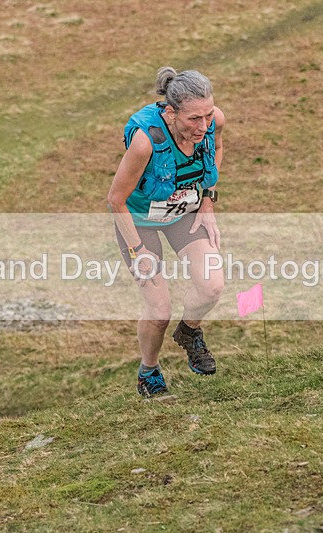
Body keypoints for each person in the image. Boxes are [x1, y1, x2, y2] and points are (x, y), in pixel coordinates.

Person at [107, 66, 226, 398]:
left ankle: (189, 333)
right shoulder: (146, 141)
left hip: (183, 214)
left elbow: (216, 152)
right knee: (159, 311)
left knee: (212, 286)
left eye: (207, 115)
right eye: (193, 119)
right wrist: (138, 251)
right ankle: (149, 372)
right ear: (171, 112)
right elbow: (115, 200)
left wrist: (208, 202)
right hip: (139, 221)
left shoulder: (214, 121)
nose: (203, 126)